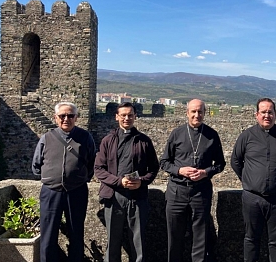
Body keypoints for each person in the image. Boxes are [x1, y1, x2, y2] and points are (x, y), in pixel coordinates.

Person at [231, 97, 276, 262]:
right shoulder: (246, 136)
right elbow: (235, 161)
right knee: (251, 238)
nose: (267, 115)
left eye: (270, 112)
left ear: (275, 114)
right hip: (252, 198)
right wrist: (248, 180)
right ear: (256, 115)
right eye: (263, 112)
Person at [160, 99, 226, 262]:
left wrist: (205, 172)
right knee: (174, 236)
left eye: (200, 112)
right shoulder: (177, 133)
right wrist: (179, 170)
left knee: (200, 237)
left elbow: (220, 164)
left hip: (200, 192)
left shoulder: (212, 135)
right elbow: (164, 162)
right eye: (194, 112)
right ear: (187, 113)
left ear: (205, 113)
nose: (197, 115)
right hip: (177, 191)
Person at [94, 102, 160, 262]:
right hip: (113, 197)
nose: (126, 118)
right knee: (113, 240)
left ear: (135, 117)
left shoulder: (144, 141)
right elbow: (99, 169)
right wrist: (118, 181)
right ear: (117, 117)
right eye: (123, 115)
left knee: (138, 242)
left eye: (130, 115)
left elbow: (154, 168)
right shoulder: (108, 140)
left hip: (137, 197)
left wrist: (142, 182)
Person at [32, 101, 96, 262]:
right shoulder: (47, 138)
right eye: (62, 116)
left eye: (70, 115)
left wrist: (80, 179)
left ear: (76, 118)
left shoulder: (85, 137)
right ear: (55, 118)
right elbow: (36, 165)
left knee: (76, 233)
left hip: (77, 191)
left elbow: (92, 162)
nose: (66, 119)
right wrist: (51, 178)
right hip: (51, 192)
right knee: (48, 235)